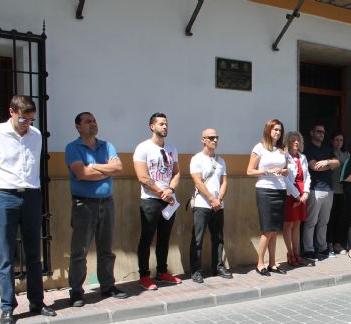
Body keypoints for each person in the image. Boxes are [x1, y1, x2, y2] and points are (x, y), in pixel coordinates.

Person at [0, 95, 56, 324]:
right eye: (23, 119)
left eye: (31, 120)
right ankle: (7, 307)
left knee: (33, 254)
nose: (27, 124)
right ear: (11, 112)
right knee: (6, 254)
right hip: (3, 195)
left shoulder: (36, 135)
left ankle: (37, 302)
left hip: (30, 196)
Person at [65, 112, 128, 307]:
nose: (92, 123)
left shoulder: (107, 146)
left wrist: (93, 166)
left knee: (106, 249)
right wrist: (105, 170)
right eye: (87, 121)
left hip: (107, 203)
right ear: (78, 127)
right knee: (79, 251)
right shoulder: (72, 148)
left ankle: (107, 286)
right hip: (84, 205)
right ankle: (76, 291)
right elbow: (82, 173)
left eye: (94, 121)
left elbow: (118, 168)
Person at [133, 113, 182, 290]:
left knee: (164, 238)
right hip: (151, 200)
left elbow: (176, 172)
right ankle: (144, 276)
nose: (165, 127)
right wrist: (162, 192)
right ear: (152, 126)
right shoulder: (143, 148)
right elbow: (142, 177)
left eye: (166, 124)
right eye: (161, 124)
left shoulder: (171, 148)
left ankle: (162, 271)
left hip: (168, 200)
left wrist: (171, 190)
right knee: (147, 238)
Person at [189, 128, 232, 283]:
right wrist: (211, 199)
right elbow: (198, 181)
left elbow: (224, 182)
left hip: (218, 205)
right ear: (203, 140)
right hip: (202, 203)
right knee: (198, 239)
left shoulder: (221, 161)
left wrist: (218, 199)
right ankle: (196, 271)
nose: (215, 140)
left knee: (218, 238)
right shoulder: (197, 159)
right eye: (211, 137)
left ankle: (218, 267)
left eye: (216, 137)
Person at [247, 119, 289, 275]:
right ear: (268, 130)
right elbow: (249, 171)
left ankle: (272, 263)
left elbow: (285, 168)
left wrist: (284, 171)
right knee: (267, 229)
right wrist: (267, 171)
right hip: (265, 190)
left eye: (280, 130)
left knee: (275, 230)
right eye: (275, 129)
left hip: (280, 190)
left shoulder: (282, 149)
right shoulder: (259, 147)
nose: (278, 132)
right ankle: (260, 264)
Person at [302, 124, 340, 261]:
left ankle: (322, 248)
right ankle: (308, 250)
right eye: (318, 131)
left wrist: (326, 162)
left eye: (323, 132)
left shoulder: (327, 148)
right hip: (314, 189)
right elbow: (315, 167)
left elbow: (338, 162)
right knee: (311, 221)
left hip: (328, 189)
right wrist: (330, 165)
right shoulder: (308, 148)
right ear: (312, 133)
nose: (321, 134)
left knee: (324, 222)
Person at [283, 131, 310, 266]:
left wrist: (306, 192)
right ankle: (290, 254)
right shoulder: (284, 157)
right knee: (288, 224)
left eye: (298, 140)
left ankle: (297, 253)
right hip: (290, 193)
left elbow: (307, 176)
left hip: (301, 193)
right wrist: (297, 195)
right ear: (288, 142)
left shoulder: (302, 157)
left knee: (297, 224)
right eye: (293, 140)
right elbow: (285, 179)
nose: (296, 142)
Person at [327, 132, 348, 256]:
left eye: (341, 140)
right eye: (337, 140)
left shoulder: (346, 155)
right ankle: (329, 243)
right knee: (330, 219)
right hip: (331, 190)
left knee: (341, 219)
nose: (339, 142)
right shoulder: (328, 154)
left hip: (343, 191)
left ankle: (337, 243)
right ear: (332, 141)